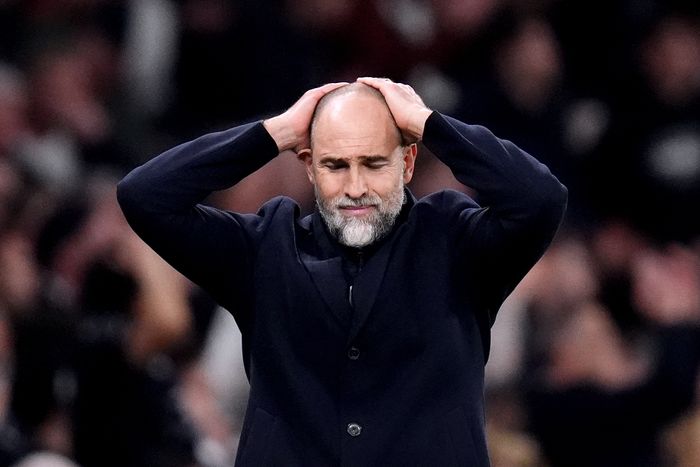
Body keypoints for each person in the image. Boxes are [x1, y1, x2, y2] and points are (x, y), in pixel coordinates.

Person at [117, 78, 567, 466]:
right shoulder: (265, 248)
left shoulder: (456, 242)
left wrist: (430, 125)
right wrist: (275, 132)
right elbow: (146, 196)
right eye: (335, 165)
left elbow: (540, 199)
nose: (355, 187)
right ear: (309, 167)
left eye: (374, 163)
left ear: (408, 163)